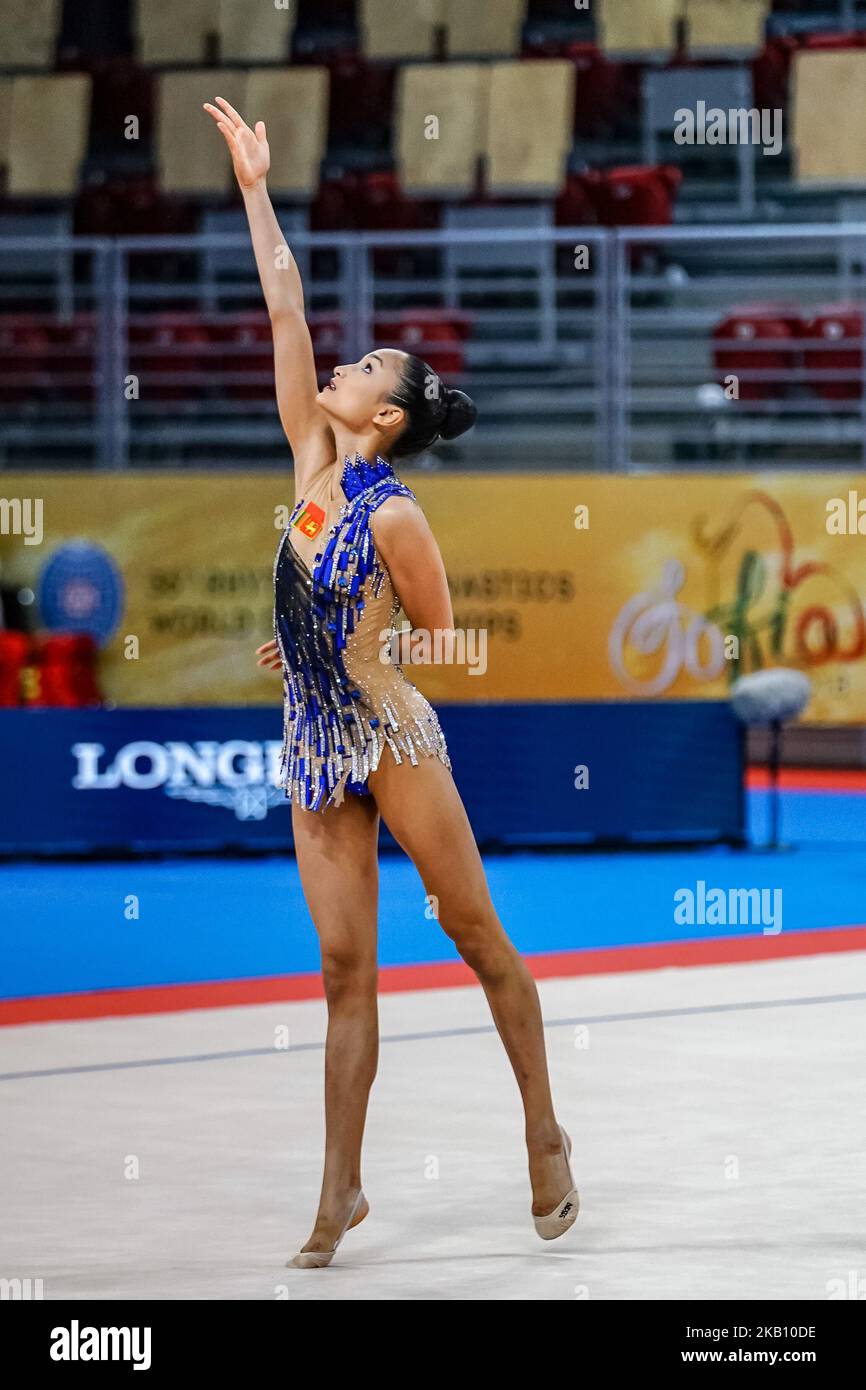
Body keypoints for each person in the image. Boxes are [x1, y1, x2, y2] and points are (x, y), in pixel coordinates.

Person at [204, 96, 579, 1268]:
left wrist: (352, 649)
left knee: (474, 933)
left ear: (389, 414)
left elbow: (442, 632)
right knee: (339, 968)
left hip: (390, 735)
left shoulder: (399, 513)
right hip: (312, 735)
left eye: (362, 365)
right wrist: (257, 188)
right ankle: (340, 1192)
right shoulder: (309, 460)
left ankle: (544, 1130)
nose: (337, 362)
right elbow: (282, 301)